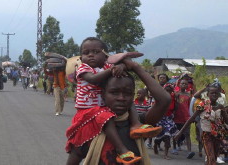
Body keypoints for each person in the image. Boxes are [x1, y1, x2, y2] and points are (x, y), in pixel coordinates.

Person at [66, 37, 162, 165]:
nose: (121, 98)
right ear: (103, 93)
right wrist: (112, 70)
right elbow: (95, 79)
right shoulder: (87, 130)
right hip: (89, 111)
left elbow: (164, 100)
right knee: (106, 118)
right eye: (114, 92)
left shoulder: (140, 124)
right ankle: (122, 150)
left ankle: (135, 125)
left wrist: (130, 66)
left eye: (128, 93)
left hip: (103, 111)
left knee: (124, 109)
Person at [175, 82, 228, 165]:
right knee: (211, 158)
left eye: (216, 93)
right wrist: (180, 132)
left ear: (219, 95)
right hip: (206, 135)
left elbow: (226, 121)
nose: (214, 95)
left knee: (213, 157)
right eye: (212, 93)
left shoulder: (220, 107)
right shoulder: (203, 104)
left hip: (218, 135)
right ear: (208, 94)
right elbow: (191, 119)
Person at [153, 83, 178, 160]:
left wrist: (173, 115)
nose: (168, 92)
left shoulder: (173, 97)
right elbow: (154, 108)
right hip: (160, 118)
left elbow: (175, 107)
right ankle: (155, 144)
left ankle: (165, 154)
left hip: (169, 119)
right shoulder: (159, 97)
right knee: (159, 136)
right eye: (166, 91)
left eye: (170, 91)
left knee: (167, 136)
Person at [173, 79, 195, 158]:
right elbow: (173, 105)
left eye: (185, 84)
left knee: (187, 134)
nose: (184, 85)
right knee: (175, 133)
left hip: (186, 117)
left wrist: (191, 117)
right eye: (182, 83)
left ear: (187, 86)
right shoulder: (176, 94)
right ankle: (174, 147)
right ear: (179, 85)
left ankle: (189, 151)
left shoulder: (189, 95)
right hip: (176, 117)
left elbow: (190, 106)